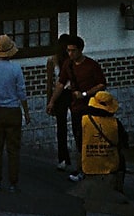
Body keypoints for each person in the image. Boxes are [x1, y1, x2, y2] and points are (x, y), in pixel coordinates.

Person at [46, 34, 107, 182]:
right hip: (72, 101)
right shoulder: (65, 63)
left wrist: (85, 94)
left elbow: (101, 84)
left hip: (83, 101)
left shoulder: (88, 65)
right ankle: (77, 165)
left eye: (73, 50)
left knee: (84, 134)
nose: (70, 53)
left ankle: (82, 165)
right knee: (75, 133)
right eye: (68, 50)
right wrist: (51, 100)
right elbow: (59, 83)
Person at [0, 34, 30, 193]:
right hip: (12, 112)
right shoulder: (15, 68)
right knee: (13, 149)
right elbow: (21, 92)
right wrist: (27, 113)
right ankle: (13, 182)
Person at [79, 91, 128, 191]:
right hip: (111, 168)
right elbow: (124, 142)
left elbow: (79, 142)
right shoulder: (116, 124)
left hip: (89, 165)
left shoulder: (84, 121)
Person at [47, 33, 73, 172]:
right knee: (72, 125)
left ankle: (63, 158)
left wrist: (49, 100)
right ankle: (68, 158)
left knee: (61, 127)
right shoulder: (62, 60)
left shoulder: (53, 60)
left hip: (60, 95)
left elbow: (49, 82)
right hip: (69, 93)